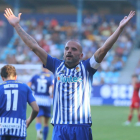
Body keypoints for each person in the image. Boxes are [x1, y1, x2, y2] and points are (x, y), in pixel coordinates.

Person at [4, 8, 135, 140]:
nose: (69, 51)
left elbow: (104, 49)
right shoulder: (56, 65)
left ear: (81, 55)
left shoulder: (87, 67)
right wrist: (16, 25)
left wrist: (119, 29)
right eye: (67, 48)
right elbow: (34, 47)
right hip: (60, 127)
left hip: (81, 126)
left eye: (74, 49)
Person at [0, 65, 39, 140]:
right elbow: (36, 109)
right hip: (19, 129)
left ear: (2, 77)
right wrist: (29, 121)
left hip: (2, 128)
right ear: (15, 76)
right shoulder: (24, 87)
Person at [28, 68, 54, 140]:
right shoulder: (50, 76)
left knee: (38, 119)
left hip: (37, 100)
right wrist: (52, 94)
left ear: (42, 67)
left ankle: (39, 131)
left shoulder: (36, 75)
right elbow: (53, 86)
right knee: (46, 123)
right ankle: (44, 138)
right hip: (47, 101)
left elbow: (28, 85)